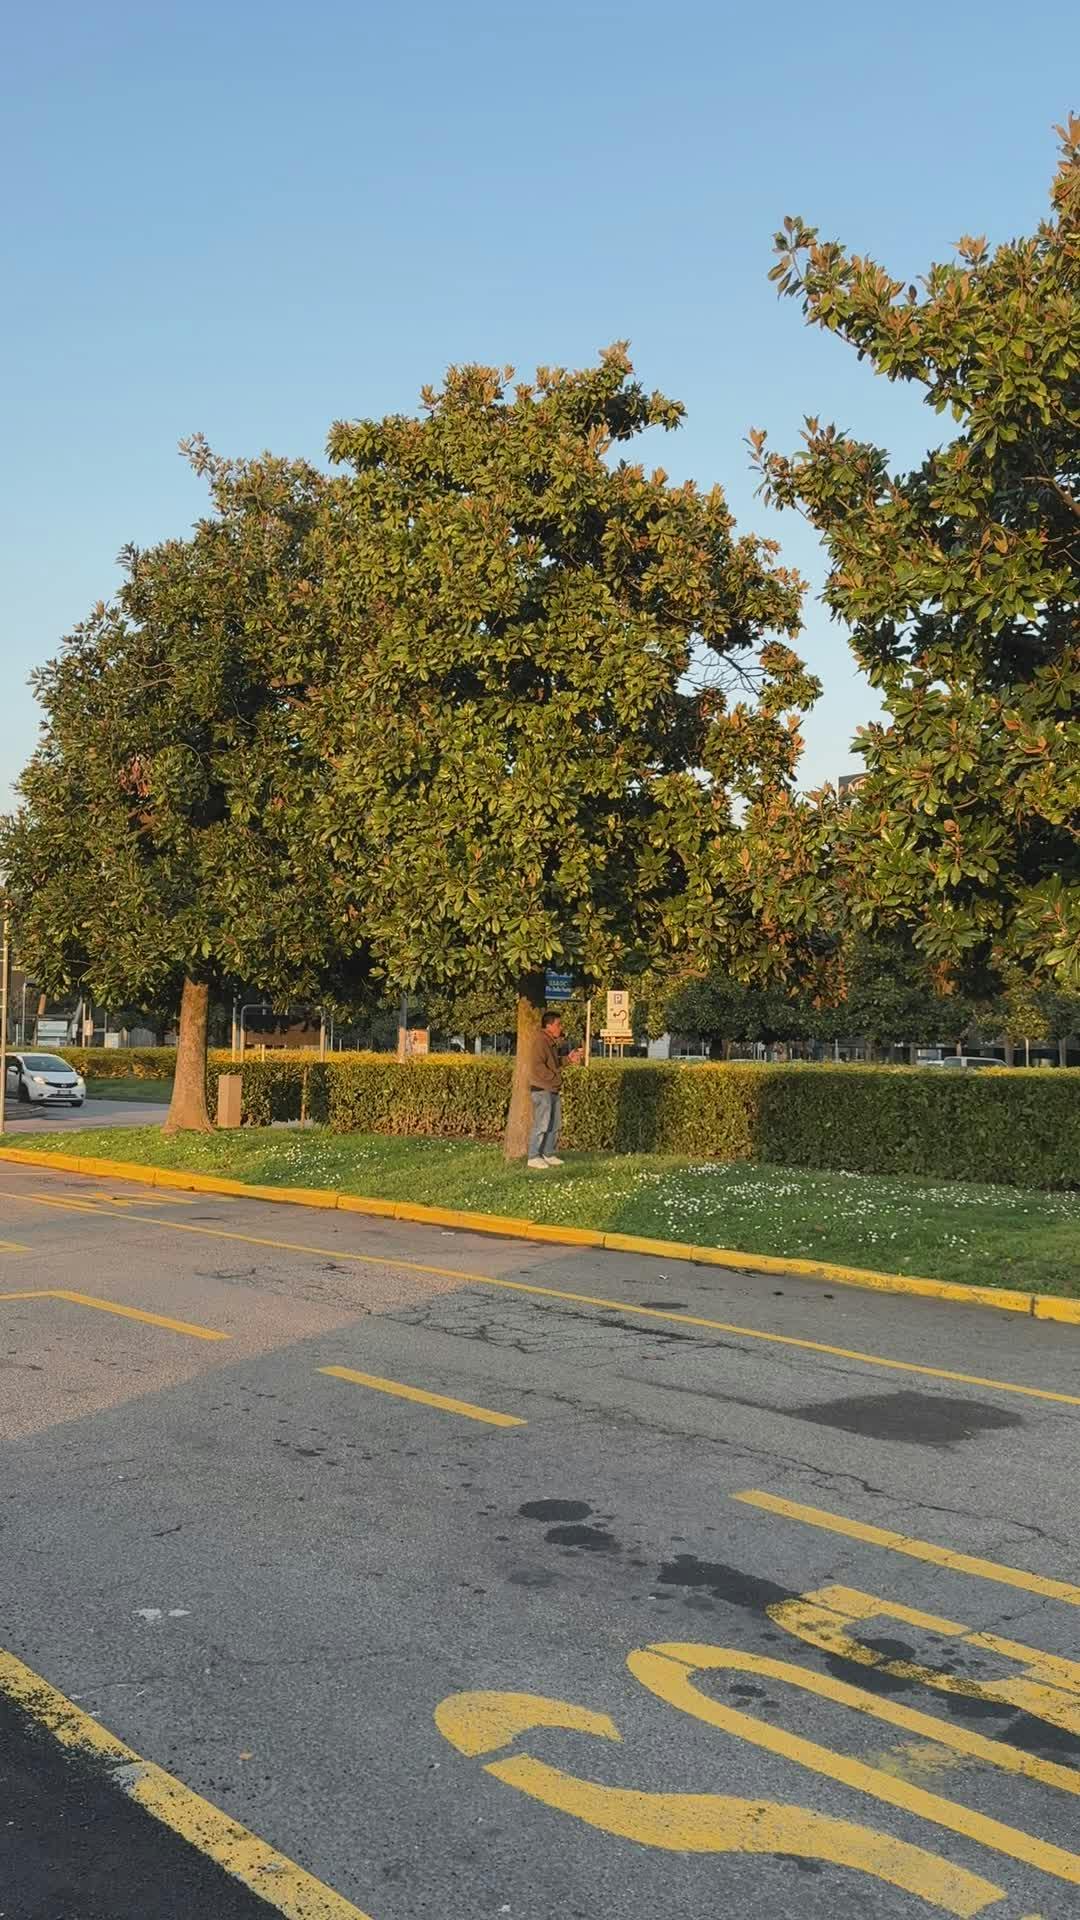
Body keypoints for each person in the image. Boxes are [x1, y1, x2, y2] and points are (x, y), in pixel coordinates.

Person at [526, 1010, 581, 1169]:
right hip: (542, 1089)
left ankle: (548, 1153)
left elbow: (553, 1062)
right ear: (549, 1026)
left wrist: (568, 1059)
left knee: (554, 1124)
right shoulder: (540, 1041)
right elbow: (537, 1066)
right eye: (558, 1024)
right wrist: (554, 1077)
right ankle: (533, 1156)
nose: (560, 1027)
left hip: (551, 1088)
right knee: (542, 1124)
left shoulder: (549, 1041)